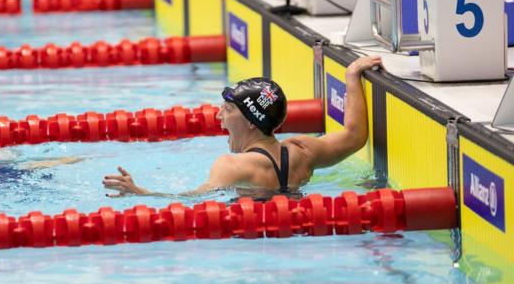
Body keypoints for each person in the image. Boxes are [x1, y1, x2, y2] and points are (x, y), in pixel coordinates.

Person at [102, 55, 382, 197]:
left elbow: (192, 202)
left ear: (250, 122)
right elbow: (354, 136)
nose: (217, 117)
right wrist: (352, 75)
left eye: (227, 109)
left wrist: (140, 192)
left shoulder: (231, 166)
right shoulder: (301, 152)